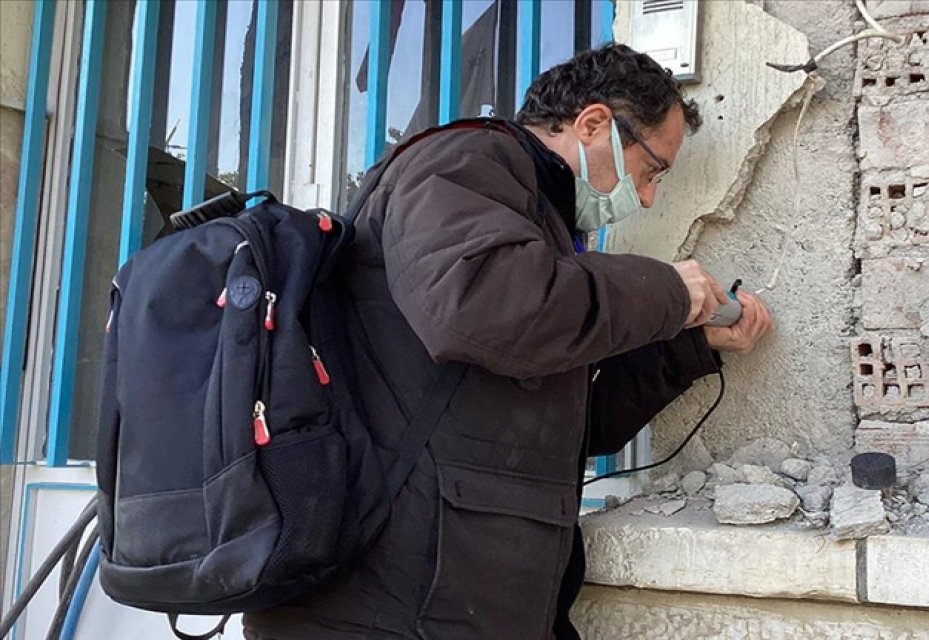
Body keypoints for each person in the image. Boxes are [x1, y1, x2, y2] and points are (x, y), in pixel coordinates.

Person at [242, 44, 774, 640]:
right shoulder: (460, 162)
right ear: (593, 124)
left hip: (461, 601)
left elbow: (568, 428)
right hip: (380, 610)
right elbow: (478, 308)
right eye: (652, 170)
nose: (647, 197)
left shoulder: (536, 221)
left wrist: (692, 349)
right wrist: (668, 292)